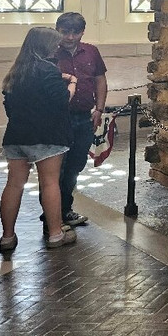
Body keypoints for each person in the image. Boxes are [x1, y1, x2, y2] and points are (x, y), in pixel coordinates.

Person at [0, 27, 77, 251]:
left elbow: (9, 106)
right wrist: (72, 82)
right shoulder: (48, 70)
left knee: (14, 185)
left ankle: (7, 237)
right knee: (50, 183)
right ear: (45, 46)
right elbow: (62, 100)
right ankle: (55, 235)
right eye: (55, 44)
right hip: (47, 137)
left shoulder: (16, 71)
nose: (58, 47)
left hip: (16, 136)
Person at [52, 12, 107, 228]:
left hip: (84, 117)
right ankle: (53, 214)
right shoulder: (50, 53)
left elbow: (100, 80)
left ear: (82, 32)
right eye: (65, 32)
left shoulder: (91, 52)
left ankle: (64, 210)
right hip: (58, 118)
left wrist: (99, 109)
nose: (70, 37)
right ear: (58, 30)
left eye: (76, 32)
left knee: (76, 164)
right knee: (56, 167)